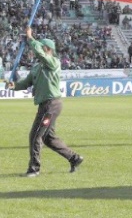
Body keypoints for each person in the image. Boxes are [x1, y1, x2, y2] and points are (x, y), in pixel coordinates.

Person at [7, 27, 83, 177]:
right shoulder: (37, 67)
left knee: (35, 136)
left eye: (41, 47)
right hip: (46, 105)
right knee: (48, 138)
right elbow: (26, 83)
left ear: (47, 49)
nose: (37, 50)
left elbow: (40, 54)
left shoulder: (53, 63)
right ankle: (75, 158)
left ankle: (34, 169)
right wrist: (14, 86)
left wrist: (30, 39)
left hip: (51, 105)